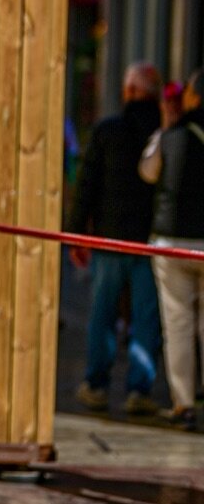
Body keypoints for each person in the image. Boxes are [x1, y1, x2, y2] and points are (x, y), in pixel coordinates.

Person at [68, 62, 163, 414]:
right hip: (150, 242)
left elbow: (86, 186)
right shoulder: (163, 132)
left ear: (129, 92)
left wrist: (76, 233)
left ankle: (96, 385)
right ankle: (140, 389)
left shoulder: (108, 130)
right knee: (146, 318)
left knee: (103, 314)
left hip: (109, 239)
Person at [139, 69, 204, 431]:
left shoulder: (171, 135)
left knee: (178, 323)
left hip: (172, 242)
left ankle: (184, 404)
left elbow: (148, 171)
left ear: (192, 97)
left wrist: (166, 125)